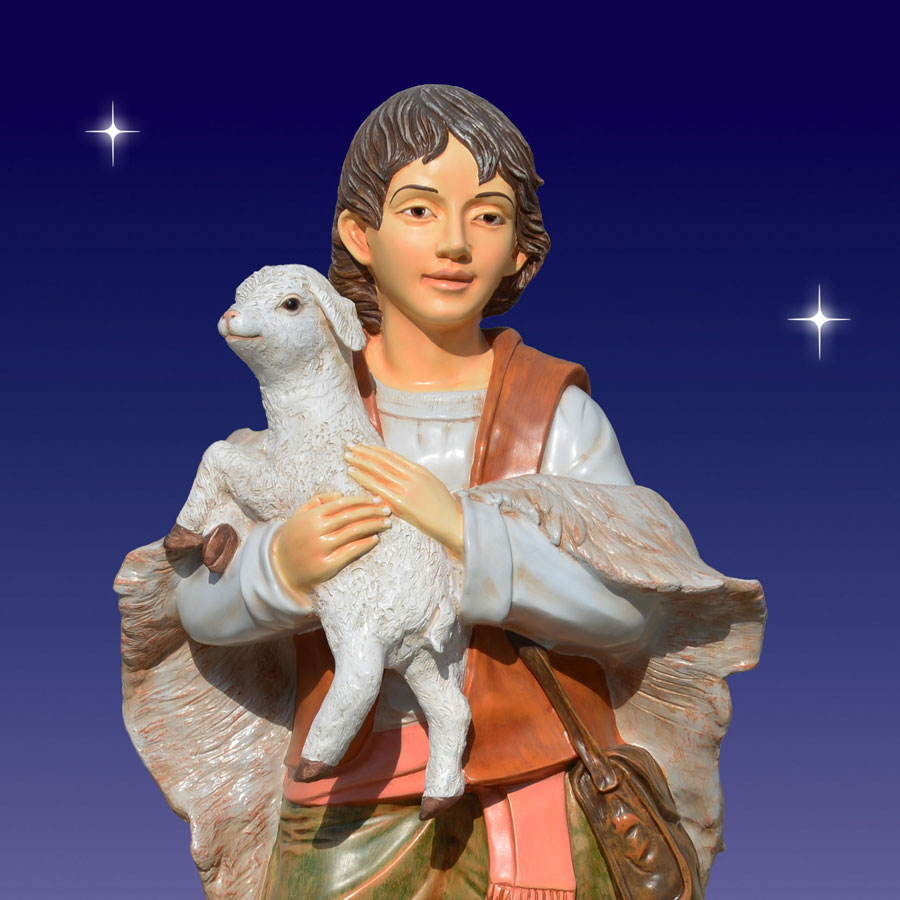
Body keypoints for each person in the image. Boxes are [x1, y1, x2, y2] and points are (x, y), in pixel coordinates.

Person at [119, 84, 764, 900]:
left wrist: (465, 532)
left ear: (521, 251)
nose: (455, 243)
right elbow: (198, 610)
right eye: (420, 210)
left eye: (488, 216)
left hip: (539, 786)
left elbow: (630, 614)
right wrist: (281, 567)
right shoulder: (309, 405)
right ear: (360, 234)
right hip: (347, 803)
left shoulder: (555, 419)